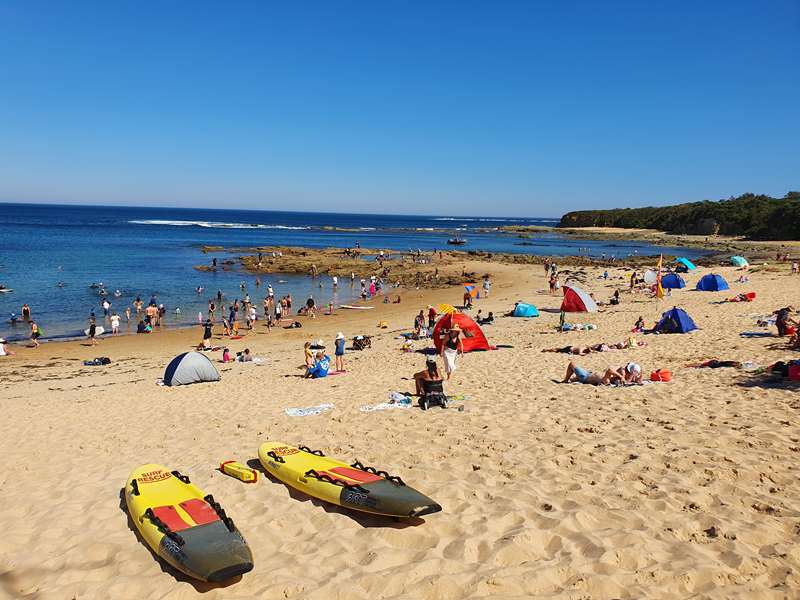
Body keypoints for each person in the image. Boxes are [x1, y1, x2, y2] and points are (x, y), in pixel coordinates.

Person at [562, 361, 643, 385]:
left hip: (586, 377)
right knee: (573, 366)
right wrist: (620, 376)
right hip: (588, 375)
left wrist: (640, 375)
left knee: (572, 364)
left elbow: (609, 370)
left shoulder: (625, 373)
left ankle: (567, 380)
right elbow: (610, 370)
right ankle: (569, 379)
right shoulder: (621, 370)